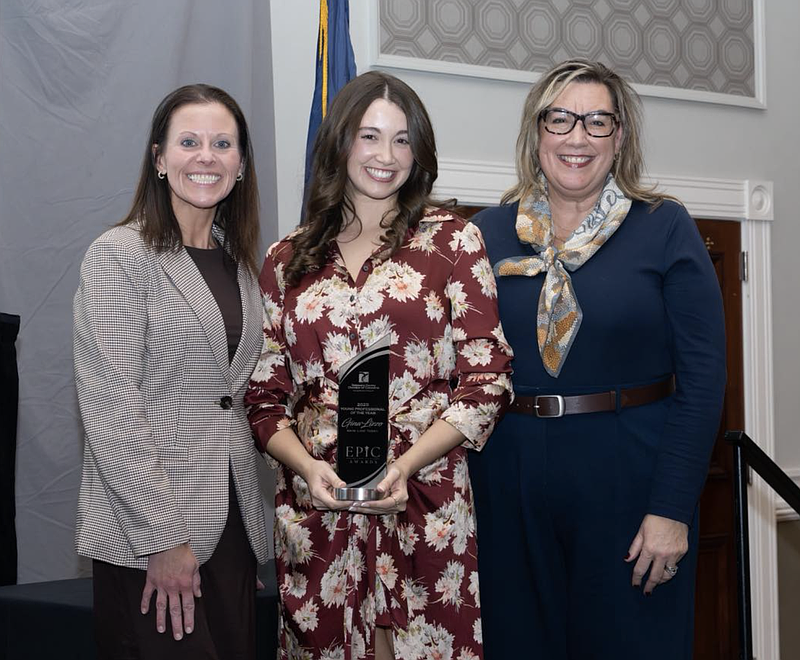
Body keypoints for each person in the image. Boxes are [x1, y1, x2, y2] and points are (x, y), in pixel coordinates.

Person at [246, 70, 513, 660]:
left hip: (425, 500)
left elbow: (487, 378)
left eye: (401, 139)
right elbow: (264, 392)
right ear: (340, 143)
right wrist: (308, 469)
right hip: (317, 507)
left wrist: (408, 464)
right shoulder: (285, 258)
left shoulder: (453, 242)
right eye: (369, 136)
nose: (385, 156)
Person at [468, 59, 726, 659]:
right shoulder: (484, 233)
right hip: (507, 478)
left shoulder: (664, 227)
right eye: (560, 118)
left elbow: (704, 381)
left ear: (620, 137)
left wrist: (671, 507)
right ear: (536, 134)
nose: (576, 137)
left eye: (597, 121)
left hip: (629, 480)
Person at [73, 83, 269, 659]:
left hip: (230, 529)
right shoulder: (119, 254)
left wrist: (241, 538)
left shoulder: (241, 267)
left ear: (240, 163)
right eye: (188, 141)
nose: (206, 156)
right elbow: (111, 412)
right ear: (159, 158)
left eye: (222, 143)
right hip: (151, 535)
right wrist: (164, 538)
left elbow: (234, 397)